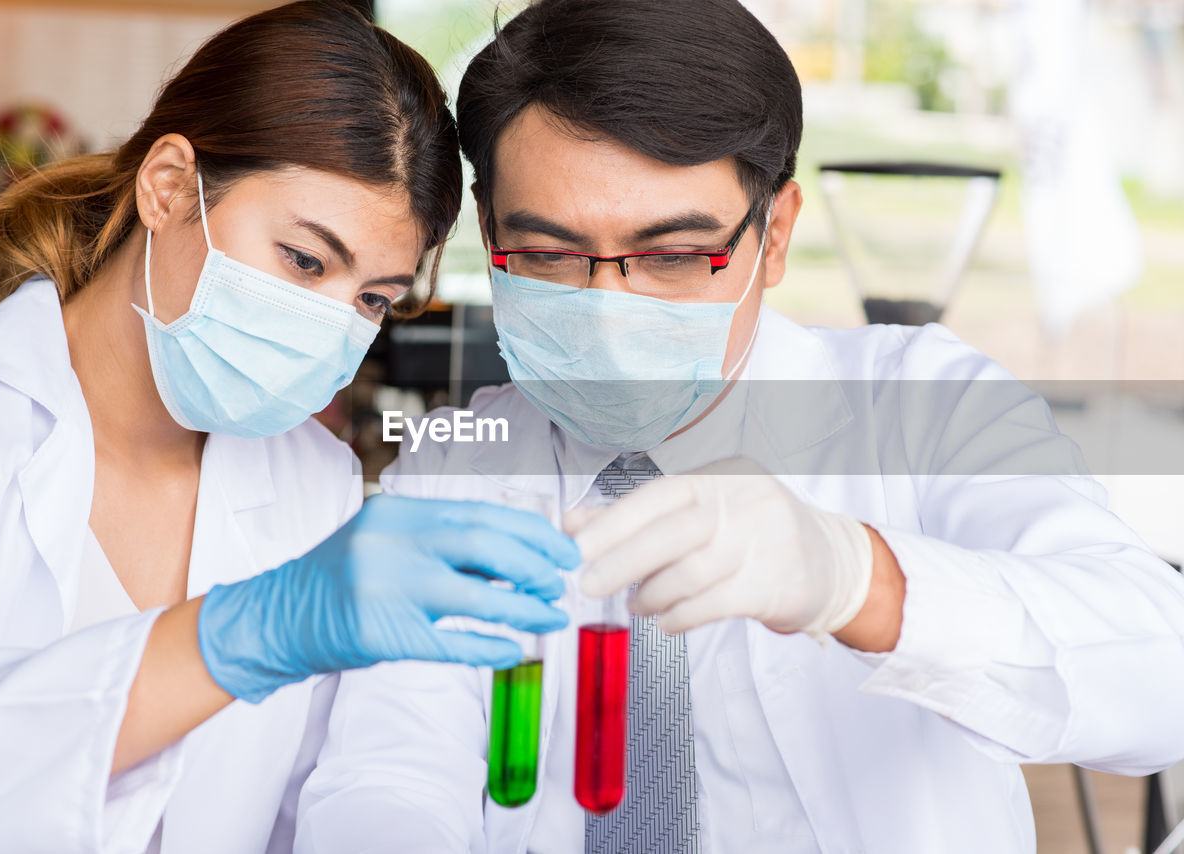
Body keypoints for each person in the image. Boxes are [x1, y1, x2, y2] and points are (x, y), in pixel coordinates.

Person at [302, 1, 1184, 852]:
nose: (608, 307)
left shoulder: (924, 405)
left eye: (676, 256)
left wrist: (860, 581)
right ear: (490, 232)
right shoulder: (458, 467)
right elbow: (388, 773)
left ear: (779, 232)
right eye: (548, 255)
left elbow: (1158, 679)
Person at [0, 2, 578, 851]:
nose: (335, 326)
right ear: (171, 187)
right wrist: (242, 635)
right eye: (303, 259)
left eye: (373, 298)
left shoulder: (317, 485)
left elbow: (321, 814)